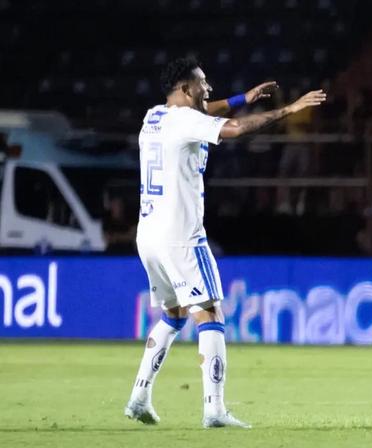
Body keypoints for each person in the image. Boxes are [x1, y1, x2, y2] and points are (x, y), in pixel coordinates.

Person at [125, 56, 325, 428]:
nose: (209, 88)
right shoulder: (186, 120)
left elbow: (205, 111)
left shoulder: (155, 115)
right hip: (181, 234)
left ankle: (139, 396)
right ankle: (214, 409)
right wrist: (289, 110)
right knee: (210, 312)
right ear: (186, 89)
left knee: (173, 314)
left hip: (148, 233)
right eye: (202, 83)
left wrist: (243, 97)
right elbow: (232, 129)